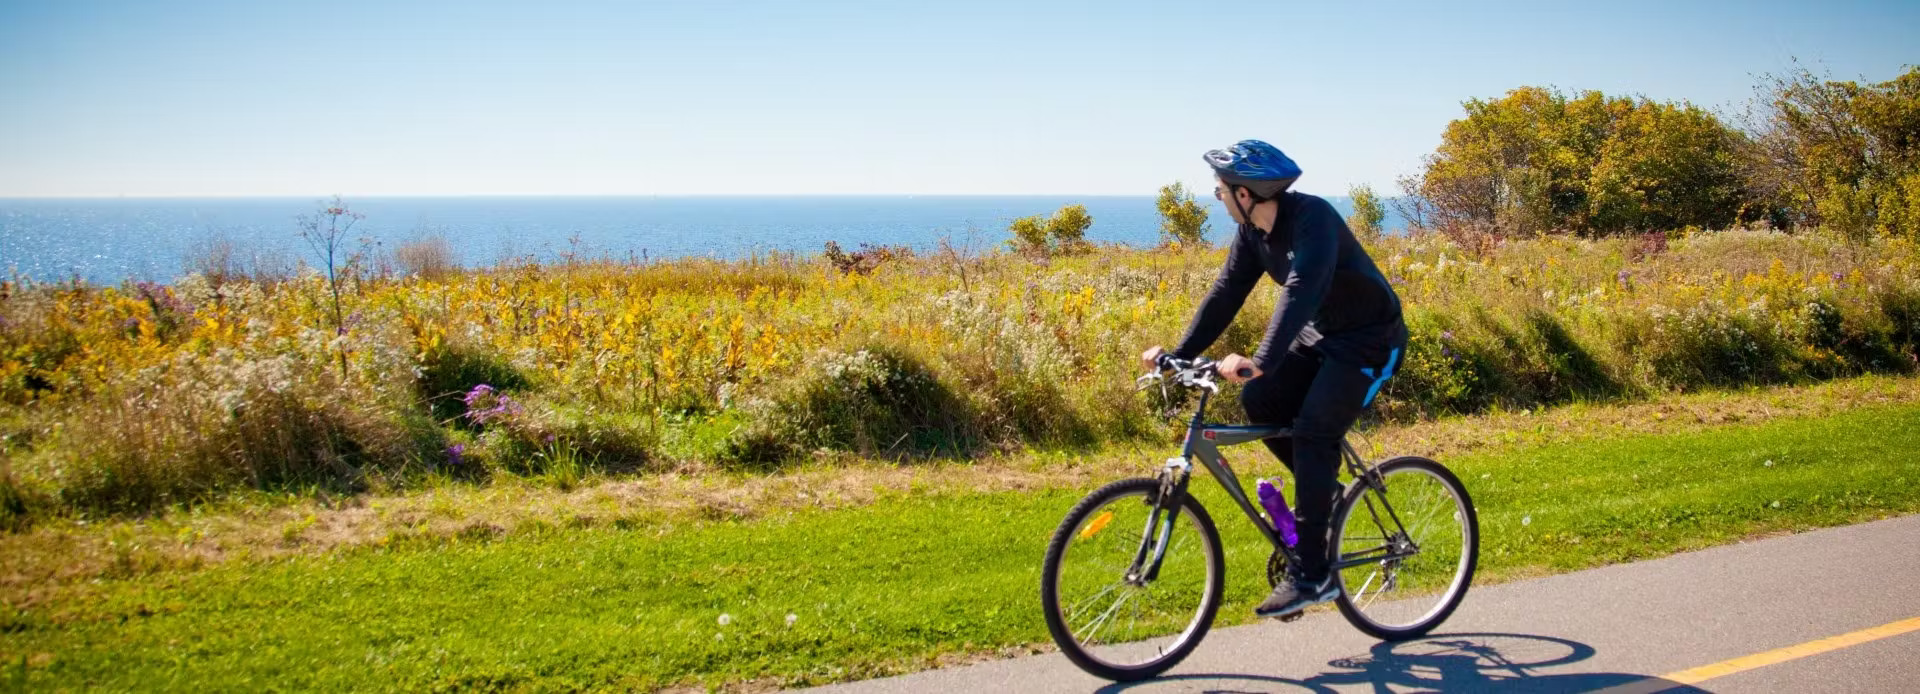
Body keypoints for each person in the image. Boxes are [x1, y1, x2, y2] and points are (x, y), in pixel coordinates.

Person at [1141, 140, 1407, 617]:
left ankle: (1313, 576)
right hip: (1320, 336)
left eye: (1221, 189)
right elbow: (1226, 294)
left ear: (1245, 194)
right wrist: (1179, 355)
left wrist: (1263, 355)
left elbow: (1304, 287)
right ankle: (1321, 490)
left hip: (1369, 341)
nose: (1217, 196)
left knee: (1312, 430)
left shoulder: (1314, 220)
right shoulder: (1251, 237)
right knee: (1260, 399)